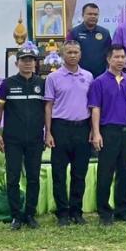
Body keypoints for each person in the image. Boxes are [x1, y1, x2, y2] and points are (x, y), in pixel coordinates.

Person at [0, 45, 47, 230]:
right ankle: (16, 216)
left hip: (35, 138)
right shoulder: (8, 83)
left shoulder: (42, 84)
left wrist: (48, 132)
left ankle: (30, 215)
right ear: (17, 63)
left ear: (35, 63)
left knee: (33, 178)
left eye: (31, 60)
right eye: (24, 60)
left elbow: (47, 110)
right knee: (13, 178)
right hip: (13, 139)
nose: (27, 63)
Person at [44, 40, 93, 225]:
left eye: (76, 52)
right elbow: (48, 106)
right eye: (69, 52)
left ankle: (76, 211)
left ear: (80, 54)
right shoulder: (53, 77)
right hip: (60, 128)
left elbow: (92, 105)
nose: (72, 55)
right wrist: (48, 132)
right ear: (62, 55)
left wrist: (92, 129)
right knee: (59, 173)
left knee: (79, 173)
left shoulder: (88, 76)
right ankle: (62, 213)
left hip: (82, 128)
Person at [88, 45, 126, 225]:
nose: (120, 60)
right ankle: (104, 212)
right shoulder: (99, 82)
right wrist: (96, 133)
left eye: (123, 57)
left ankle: (122, 210)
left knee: (124, 172)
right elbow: (95, 108)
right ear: (109, 59)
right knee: (105, 173)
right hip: (108, 131)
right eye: (116, 57)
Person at [68, 2, 111, 78]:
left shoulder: (105, 33)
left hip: (100, 76)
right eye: (90, 14)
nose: (93, 16)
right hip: (79, 76)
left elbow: (110, 54)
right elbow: (67, 52)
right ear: (82, 15)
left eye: (95, 14)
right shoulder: (74, 32)